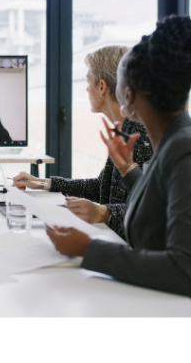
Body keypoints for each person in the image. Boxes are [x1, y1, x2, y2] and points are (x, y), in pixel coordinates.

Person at [46, 15, 191, 297]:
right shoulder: (174, 141)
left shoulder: (182, 149)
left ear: (127, 94)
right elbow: (160, 213)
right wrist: (128, 170)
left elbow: (184, 268)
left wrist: (88, 249)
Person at [13, 46, 153, 241]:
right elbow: (101, 187)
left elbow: (152, 211)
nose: (87, 89)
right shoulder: (124, 128)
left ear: (102, 87)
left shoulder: (140, 135)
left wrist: (105, 213)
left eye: (88, 80)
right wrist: (45, 183)